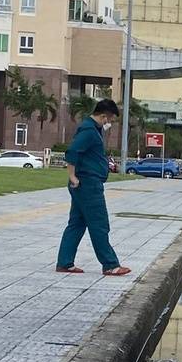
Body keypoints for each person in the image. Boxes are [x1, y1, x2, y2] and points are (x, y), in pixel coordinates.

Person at [57, 98, 131, 276]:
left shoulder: (93, 129)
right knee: (99, 224)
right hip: (87, 184)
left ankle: (65, 262)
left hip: (86, 183)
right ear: (104, 116)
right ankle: (110, 264)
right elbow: (73, 151)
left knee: (77, 223)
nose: (110, 123)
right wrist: (72, 176)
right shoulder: (89, 131)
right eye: (111, 119)